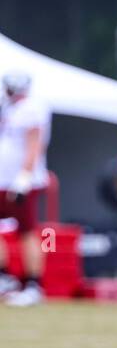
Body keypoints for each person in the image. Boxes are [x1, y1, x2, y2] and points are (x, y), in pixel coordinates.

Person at [0, 70, 52, 306]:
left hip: (20, 182)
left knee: (27, 230)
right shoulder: (8, 107)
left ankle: (33, 284)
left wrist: (24, 176)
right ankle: (4, 278)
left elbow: (34, 143)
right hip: (3, 180)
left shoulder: (32, 107)